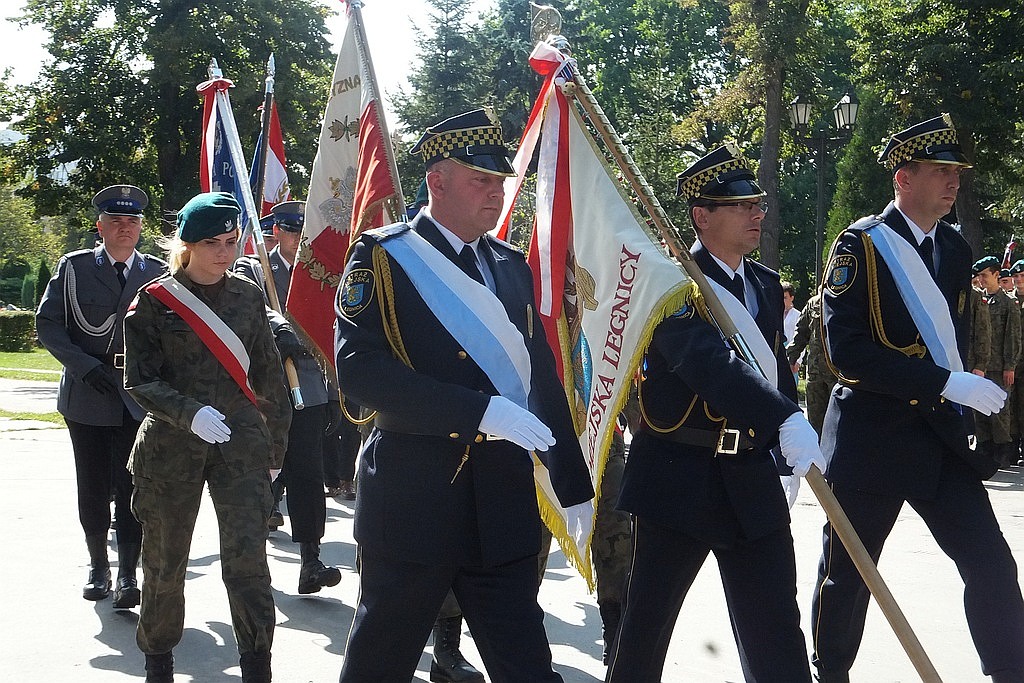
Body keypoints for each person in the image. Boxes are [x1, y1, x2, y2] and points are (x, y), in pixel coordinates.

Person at [334, 108, 594, 683]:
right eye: (480, 180)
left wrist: (573, 483)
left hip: (500, 506)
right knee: (379, 665)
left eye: (500, 181)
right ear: (437, 181)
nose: (496, 193)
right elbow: (359, 372)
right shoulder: (384, 257)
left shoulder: (508, 266)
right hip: (413, 502)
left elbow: (540, 378)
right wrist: (478, 412)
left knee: (528, 667)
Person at [811, 114, 1024, 683]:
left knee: (992, 566)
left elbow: (948, 337)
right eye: (940, 171)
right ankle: (830, 674)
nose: (954, 183)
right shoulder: (860, 245)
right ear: (903, 177)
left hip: (937, 439)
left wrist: (958, 394)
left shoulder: (955, 251)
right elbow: (846, 350)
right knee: (848, 577)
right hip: (871, 439)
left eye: (956, 172)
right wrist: (943, 383)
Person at [606, 143, 825, 682]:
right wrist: (784, 419)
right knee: (644, 637)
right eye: (741, 205)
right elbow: (709, 365)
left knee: (776, 633)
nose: (757, 213)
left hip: (750, 475)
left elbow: (774, 369)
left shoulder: (767, 286)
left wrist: (781, 441)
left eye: (758, 203)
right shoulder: (670, 285)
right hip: (680, 477)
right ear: (701, 217)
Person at [122, 192, 292, 683]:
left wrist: (275, 449)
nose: (224, 252)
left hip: (240, 446)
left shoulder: (247, 295)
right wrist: (189, 412)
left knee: (248, 564)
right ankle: (159, 664)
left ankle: (257, 665)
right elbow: (140, 378)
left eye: (231, 241)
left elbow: (268, 378)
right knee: (165, 563)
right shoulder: (155, 301)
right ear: (187, 245)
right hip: (171, 448)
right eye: (212, 242)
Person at [36, 184, 168, 609]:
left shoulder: (158, 273)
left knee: (134, 486)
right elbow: (49, 325)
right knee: (92, 486)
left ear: (141, 229)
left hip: (138, 394)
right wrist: (85, 366)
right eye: (115, 221)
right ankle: (98, 565)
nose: (124, 228)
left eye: (132, 221)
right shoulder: (74, 268)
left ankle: (130, 573)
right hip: (88, 393)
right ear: (100, 227)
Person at [234, 200, 342, 595]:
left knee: (308, 476)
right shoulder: (253, 267)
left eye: (303, 231)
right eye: (292, 231)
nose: (298, 239)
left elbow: (333, 330)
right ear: (276, 231)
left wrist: (332, 395)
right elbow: (251, 306)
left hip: (310, 388)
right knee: (260, 472)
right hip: (262, 389)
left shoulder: (324, 273)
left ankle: (311, 560)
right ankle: (250, 563)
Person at [973, 255, 1020, 466]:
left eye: (984, 275)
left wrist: (1010, 365)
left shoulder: (1008, 303)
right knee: (979, 408)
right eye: (978, 277)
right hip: (979, 365)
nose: (981, 280)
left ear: (996, 274)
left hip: (1000, 365)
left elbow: (1013, 336)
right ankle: (984, 446)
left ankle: (1004, 450)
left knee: (1000, 409)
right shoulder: (978, 299)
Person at [787, 292, 837, 435]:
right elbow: (801, 333)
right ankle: (817, 454)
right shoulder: (814, 302)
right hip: (815, 374)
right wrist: (791, 357)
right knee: (815, 422)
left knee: (839, 419)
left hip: (839, 374)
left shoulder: (846, 300)